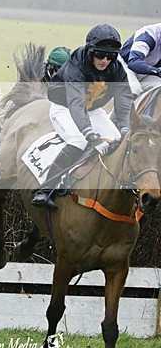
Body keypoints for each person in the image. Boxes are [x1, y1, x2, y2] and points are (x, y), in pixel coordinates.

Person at [30, 23, 131, 209]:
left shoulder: (116, 68)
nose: (104, 60)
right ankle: (45, 190)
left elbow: (124, 97)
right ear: (91, 51)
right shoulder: (76, 63)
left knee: (119, 140)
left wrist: (125, 126)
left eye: (110, 56)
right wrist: (90, 135)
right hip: (65, 108)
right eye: (100, 54)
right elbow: (76, 103)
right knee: (78, 141)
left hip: (92, 110)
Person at [118, 22, 161, 94]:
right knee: (135, 89)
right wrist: (157, 71)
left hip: (146, 71)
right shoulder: (148, 35)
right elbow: (133, 63)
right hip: (125, 66)